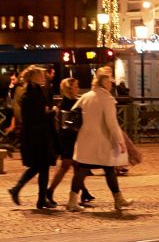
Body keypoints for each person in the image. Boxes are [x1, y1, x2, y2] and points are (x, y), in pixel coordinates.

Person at [67, 68, 133, 212]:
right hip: (102, 140)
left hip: (85, 139)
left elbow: (74, 113)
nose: (111, 84)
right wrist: (120, 141)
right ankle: (118, 199)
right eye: (110, 81)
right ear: (104, 82)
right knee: (108, 168)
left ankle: (72, 201)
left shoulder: (86, 96)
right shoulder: (106, 98)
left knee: (83, 170)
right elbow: (111, 122)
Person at [7, 66, 58, 209]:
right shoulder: (33, 94)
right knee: (40, 166)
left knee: (42, 167)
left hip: (36, 134)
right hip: (38, 135)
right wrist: (52, 112)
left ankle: (40, 199)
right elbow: (38, 116)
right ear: (34, 77)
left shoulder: (32, 92)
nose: (43, 76)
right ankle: (19, 189)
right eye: (41, 75)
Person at [47, 78, 94, 206]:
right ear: (70, 88)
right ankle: (50, 191)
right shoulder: (72, 103)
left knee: (77, 166)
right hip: (70, 139)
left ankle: (84, 192)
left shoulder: (64, 102)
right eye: (76, 86)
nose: (78, 88)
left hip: (67, 137)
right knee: (67, 166)